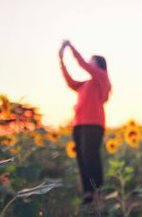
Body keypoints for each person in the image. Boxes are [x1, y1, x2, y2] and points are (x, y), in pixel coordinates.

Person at [59, 39, 111, 204]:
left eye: (92, 61)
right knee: (82, 157)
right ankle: (87, 192)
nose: (88, 62)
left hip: (93, 124)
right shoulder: (85, 84)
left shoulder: (101, 78)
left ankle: (98, 192)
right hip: (79, 124)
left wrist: (70, 48)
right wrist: (61, 60)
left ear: (99, 65)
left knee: (91, 157)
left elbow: (83, 65)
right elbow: (70, 81)